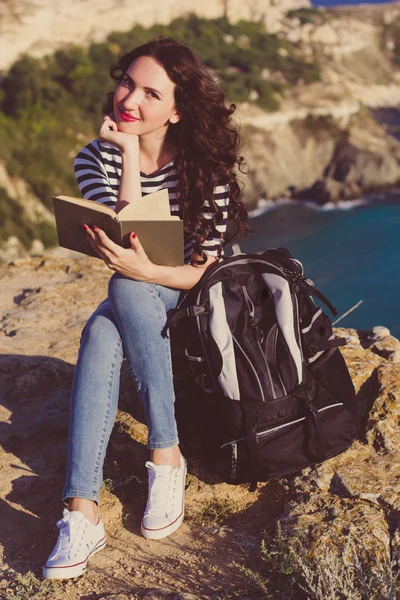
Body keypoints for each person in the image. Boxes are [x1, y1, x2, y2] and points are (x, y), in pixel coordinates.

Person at [43, 36, 248, 580]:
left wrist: (150, 273)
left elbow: (207, 268)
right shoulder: (95, 158)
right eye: (127, 82)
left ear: (177, 110)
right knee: (107, 326)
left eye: (150, 93)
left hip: (196, 304)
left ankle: (163, 453)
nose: (129, 99)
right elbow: (128, 234)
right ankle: (83, 508)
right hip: (139, 297)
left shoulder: (207, 167)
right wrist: (130, 152)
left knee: (128, 288)